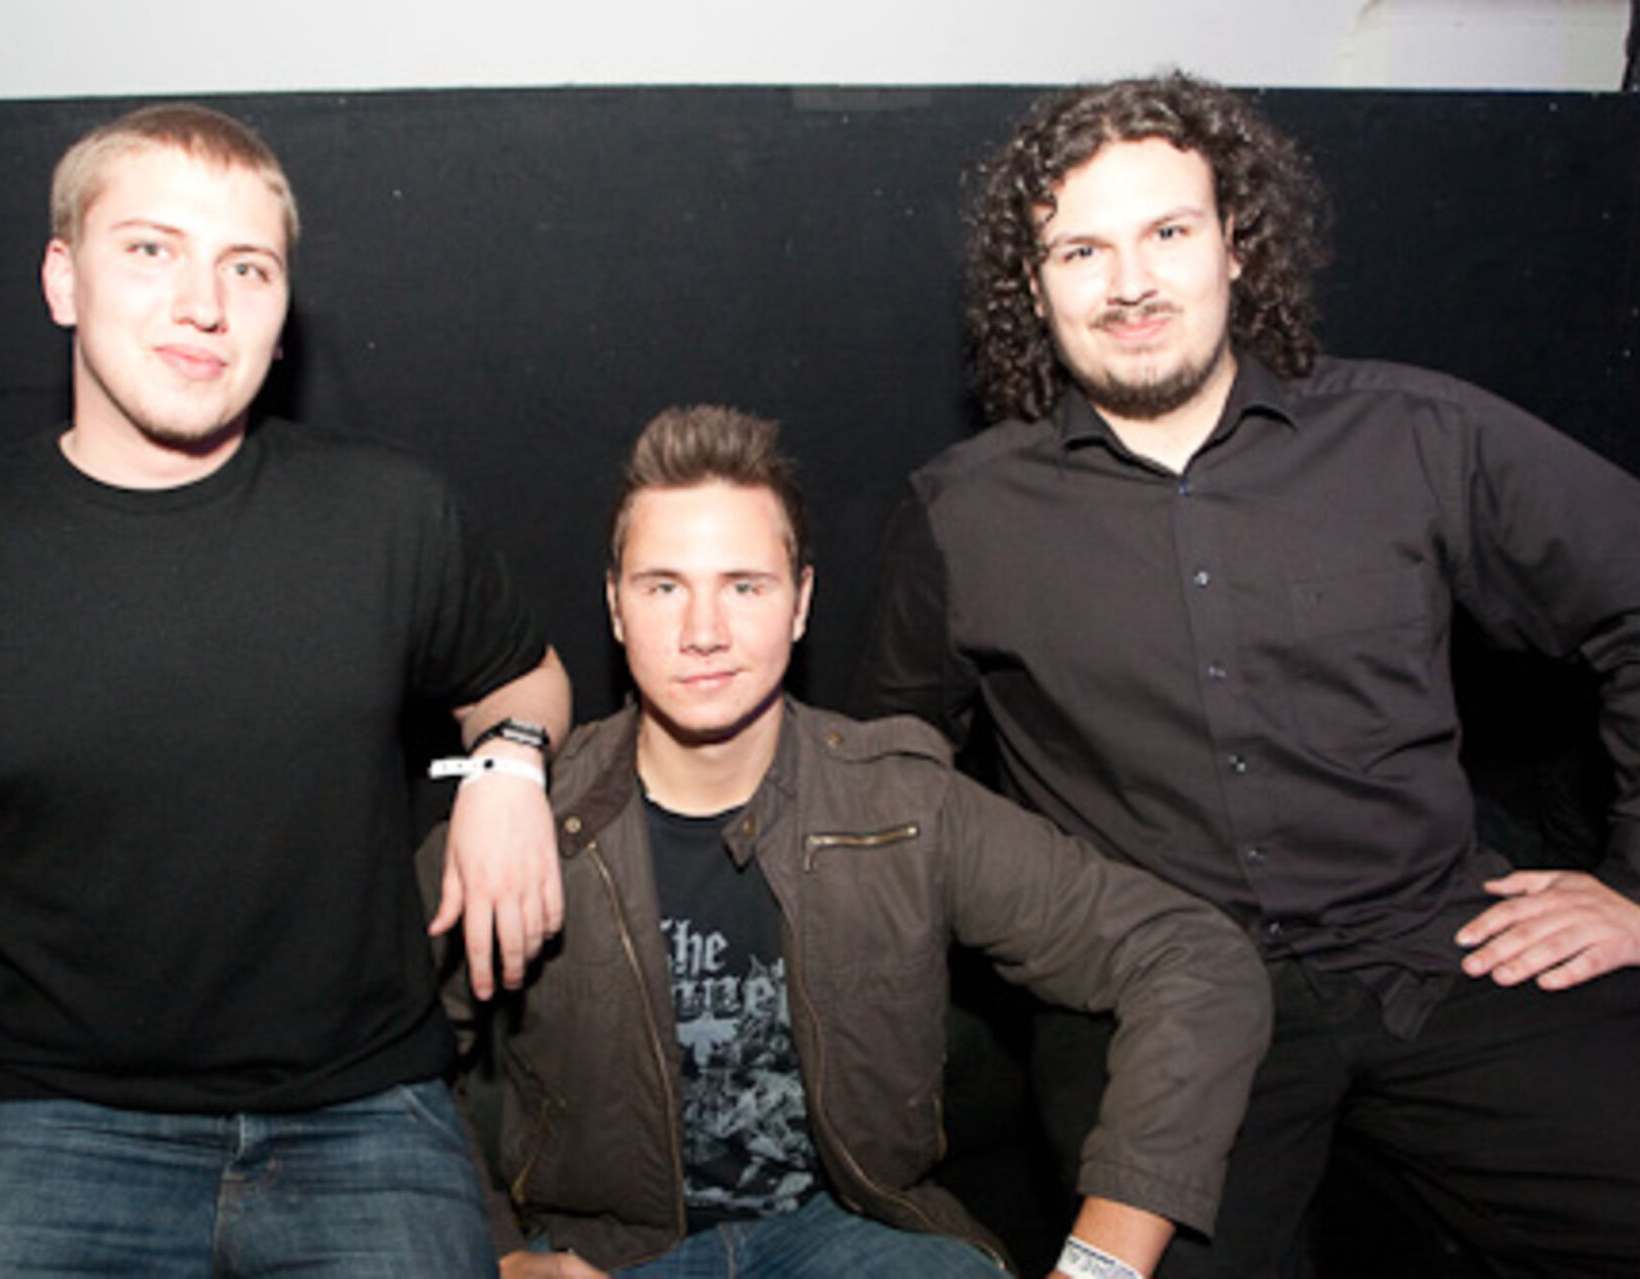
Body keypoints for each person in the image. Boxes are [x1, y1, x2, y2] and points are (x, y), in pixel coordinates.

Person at [853, 72, 1640, 1278]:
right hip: (1157, 1002)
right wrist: (1031, 933)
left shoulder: (1414, 435)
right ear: (1033, 287)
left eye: (1168, 232)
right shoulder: (962, 515)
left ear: (1236, 244)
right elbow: (891, 768)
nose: (1130, 283)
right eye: (1081, 250)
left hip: (1444, 953)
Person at [0, 103, 570, 1278]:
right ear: (63, 279)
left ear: (284, 315)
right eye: (151, 248)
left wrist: (508, 760)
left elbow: (524, 676)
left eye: (248, 267)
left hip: (364, 1115)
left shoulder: (387, 515)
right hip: (48, 1124)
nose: (205, 304)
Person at [423, 405, 1271, 1279]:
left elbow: (1193, 958)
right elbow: (387, 1059)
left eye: (745, 586)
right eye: (664, 586)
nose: (703, 631)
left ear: (801, 604)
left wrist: (1098, 1269)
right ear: (614, 605)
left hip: (853, 1239)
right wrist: (495, 1253)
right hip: (611, 1256)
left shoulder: (900, 804)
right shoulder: (525, 820)